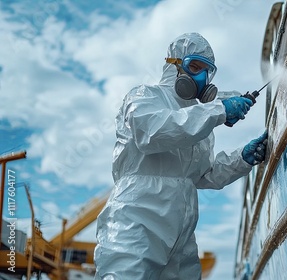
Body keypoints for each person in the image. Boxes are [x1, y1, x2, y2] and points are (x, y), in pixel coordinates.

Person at [94, 32, 268, 279]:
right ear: (173, 64)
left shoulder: (200, 121)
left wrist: (242, 159)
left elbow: (201, 177)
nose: (201, 77)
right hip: (138, 219)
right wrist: (217, 110)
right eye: (194, 67)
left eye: (206, 71)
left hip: (182, 231)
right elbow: (152, 132)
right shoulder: (145, 96)